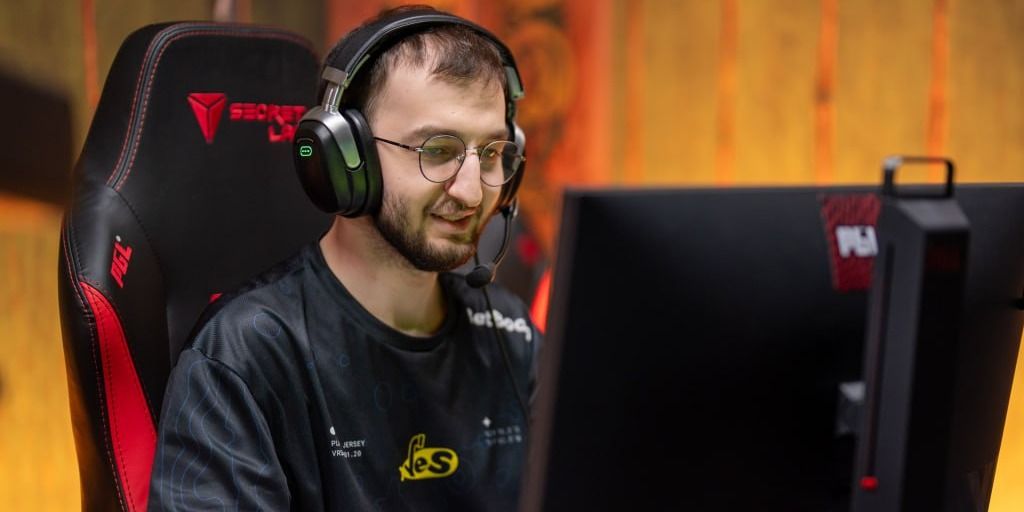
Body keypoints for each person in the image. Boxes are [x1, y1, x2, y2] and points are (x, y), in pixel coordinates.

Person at [148, 6, 540, 511]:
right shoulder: (245, 358)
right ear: (345, 157)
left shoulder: (510, 334)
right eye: (437, 150)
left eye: (490, 154)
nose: (470, 191)